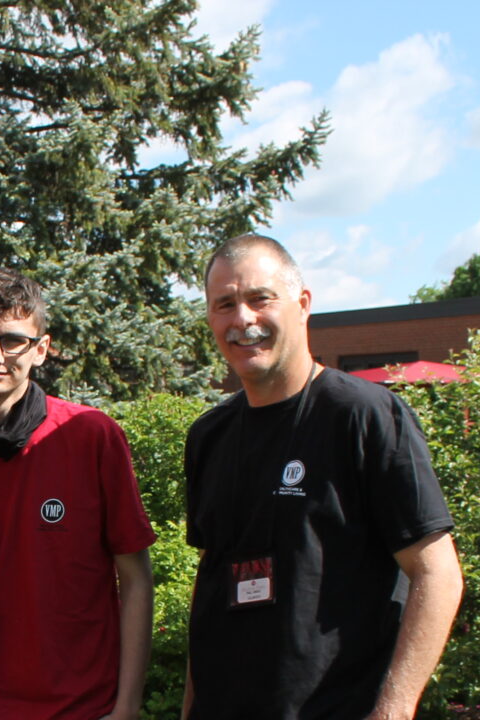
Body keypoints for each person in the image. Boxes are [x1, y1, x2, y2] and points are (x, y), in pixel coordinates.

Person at [182, 234, 463, 719]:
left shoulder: (364, 416)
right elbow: (211, 586)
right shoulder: (209, 436)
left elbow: (438, 573)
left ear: (303, 303)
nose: (242, 319)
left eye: (259, 298)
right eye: (224, 304)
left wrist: (393, 712)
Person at [0, 267, 158, 719]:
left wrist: (126, 707)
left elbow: (134, 578)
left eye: (13, 340)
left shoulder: (91, 437)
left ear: (41, 350)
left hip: (87, 708)